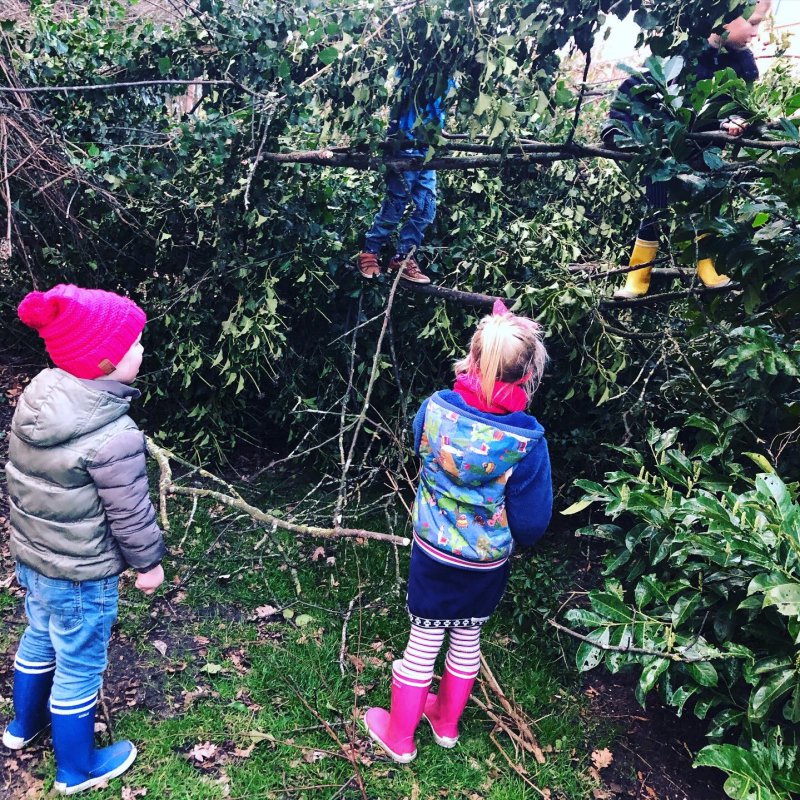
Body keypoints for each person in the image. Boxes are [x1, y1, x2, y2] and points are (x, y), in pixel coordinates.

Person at [364, 300, 552, 762]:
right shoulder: (526, 441)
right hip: (487, 562)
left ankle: (400, 738)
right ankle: (445, 724)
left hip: (434, 551)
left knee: (423, 639)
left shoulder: (434, 411)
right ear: (527, 376)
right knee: (467, 638)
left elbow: (418, 446)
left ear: (470, 359)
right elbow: (531, 523)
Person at [2, 284, 166, 795]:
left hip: (35, 557)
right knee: (81, 661)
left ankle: (20, 727)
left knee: (40, 634)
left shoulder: (41, 401)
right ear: (102, 363)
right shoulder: (112, 435)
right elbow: (130, 514)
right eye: (133, 345)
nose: (141, 351)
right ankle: (77, 768)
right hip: (81, 572)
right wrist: (149, 564)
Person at [604, 0, 772, 299]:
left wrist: (738, 120)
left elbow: (743, 107)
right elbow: (634, 88)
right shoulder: (684, 55)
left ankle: (707, 266)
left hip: (704, 151)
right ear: (728, 18)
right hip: (664, 150)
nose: (755, 33)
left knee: (706, 203)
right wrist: (617, 128)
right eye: (754, 22)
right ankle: (638, 276)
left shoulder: (743, 65)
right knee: (654, 210)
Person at [356, 74, 456, 286]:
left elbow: (439, 109)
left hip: (427, 150)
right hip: (404, 145)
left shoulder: (449, 76)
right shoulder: (417, 66)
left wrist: (439, 131)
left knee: (426, 208)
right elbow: (400, 97)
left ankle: (402, 258)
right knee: (396, 203)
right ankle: (370, 252)